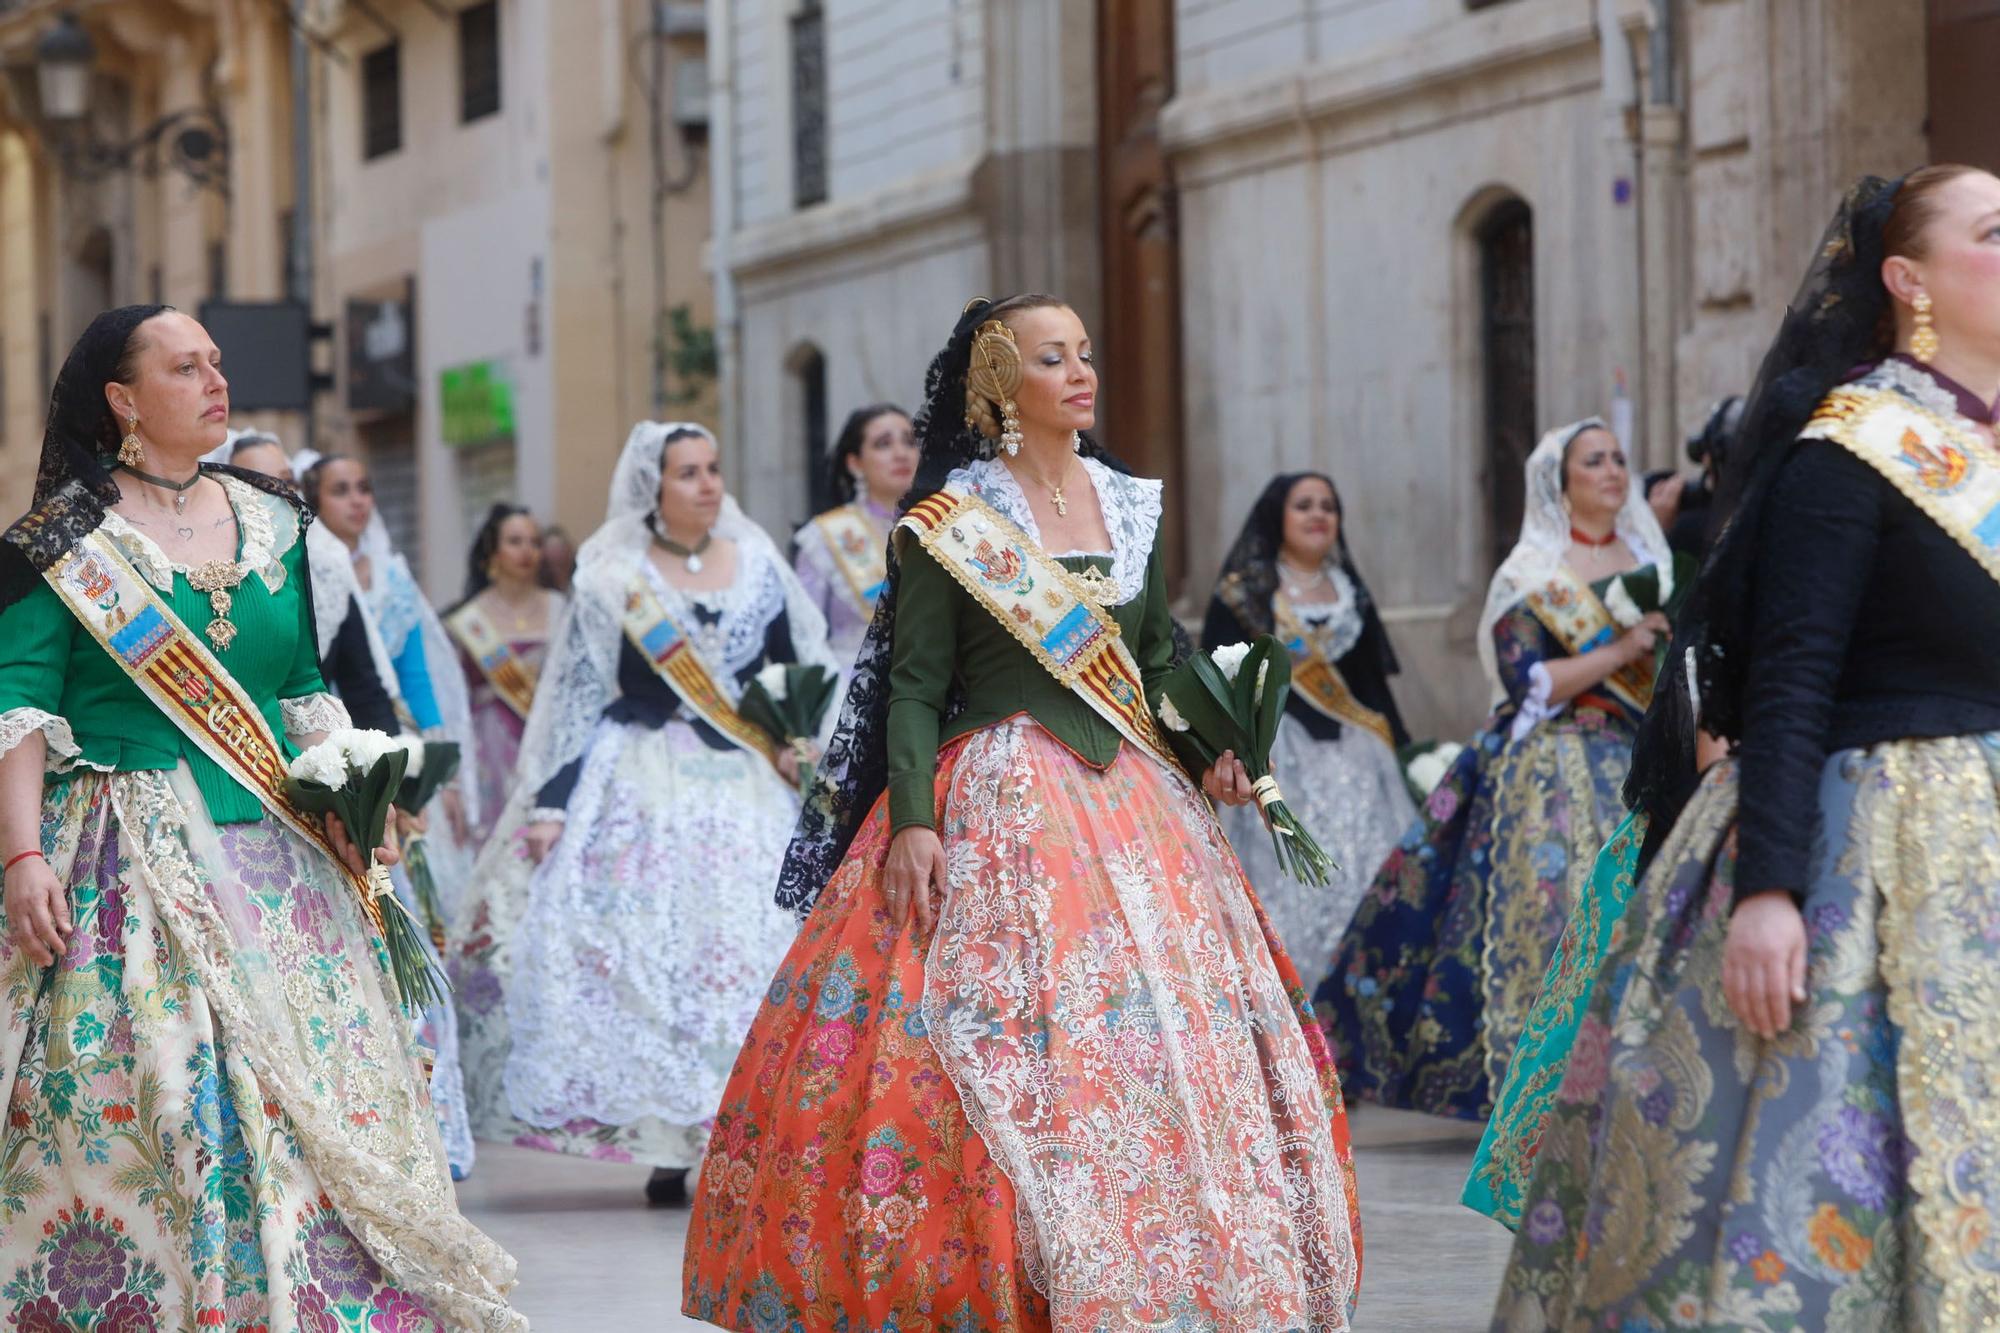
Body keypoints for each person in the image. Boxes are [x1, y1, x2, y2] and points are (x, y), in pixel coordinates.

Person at [683, 295, 1362, 1331]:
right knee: (1000, 1037)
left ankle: (1172, 1259)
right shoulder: (950, 521)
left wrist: (1209, 750)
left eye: (1085, 353)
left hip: (1135, 800)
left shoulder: (1127, 503)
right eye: (1055, 359)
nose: (1083, 373)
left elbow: (1155, 663)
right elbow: (913, 686)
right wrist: (912, 818)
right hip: (998, 791)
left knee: (1156, 1036)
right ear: (1001, 382)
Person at [1492, 165, 2000, 1329]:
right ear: (1907, 279)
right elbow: (1791, 680)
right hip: (1866, 852)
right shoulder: (1850, 447)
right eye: (1990, 230)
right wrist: (1767, 891)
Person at [0, 305, 520, 1327]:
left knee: (315, 1095)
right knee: (168, 1089)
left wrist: (352, 795)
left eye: (217, 362)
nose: (213, 381)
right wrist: (22, 853)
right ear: (122, 400)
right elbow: (19, 703)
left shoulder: (276, 516)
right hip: (127, 851)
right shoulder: (60, 540)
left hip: (281, 854)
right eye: (184, 367)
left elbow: (301, 689)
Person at [452, 422, 831, 1207]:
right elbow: (575, 699)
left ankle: (750, 1127)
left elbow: (799, 666)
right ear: (651, 490)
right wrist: (552, 803)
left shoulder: (758, 565)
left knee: (749, 948)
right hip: (640, 782)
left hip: (744, 783)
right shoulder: (611, 576)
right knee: (656, 955)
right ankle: (670, 1140)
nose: (707, 484)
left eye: (714, 468)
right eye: (687, 472)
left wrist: (802, 740)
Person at [1317, 419, 1670, 1121]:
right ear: (1559, 483)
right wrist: (1620, 648)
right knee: (1548, 907)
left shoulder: (1651, 561)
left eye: (1618, 459)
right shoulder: (1531, 573)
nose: (1611, 471)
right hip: (1552, 758)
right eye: (1593, 461)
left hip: (1639, 751)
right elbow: (1526, 678)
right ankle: (1545, 1076)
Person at [299, 452, 480, 1180]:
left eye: (367, 485)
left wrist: (427, 758)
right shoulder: (299, 559)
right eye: (340, 488)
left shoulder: (388, 575)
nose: (359, 500)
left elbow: (403, 675)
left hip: (363, 756)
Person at [1201, 472, 1417, 993]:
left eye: (1328, 506)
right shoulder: (1244, 595)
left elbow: (1370, 691)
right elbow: (1218, 678)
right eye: (1304, 505)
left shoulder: (1350, 594)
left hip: (1359, 762)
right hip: (1279, 759)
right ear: (1278, 516)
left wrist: (1411, 755)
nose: (1318, 515)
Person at [445, 504, 565, 846]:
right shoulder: (469, 619)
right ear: (493, 552)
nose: (527, 551)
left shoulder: (560, 608)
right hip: (490, 749)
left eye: (534, 542)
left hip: (544, 743)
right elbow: (456, 697)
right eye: (515, 541)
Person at [792, 404, 918, 672]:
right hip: (851, 689)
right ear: (855, 463)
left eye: (910, 442)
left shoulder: (945, 526)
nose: (900, 454)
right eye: (883, 444)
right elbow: (803, 634)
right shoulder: (824, 537)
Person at [538, 524, 576, 593]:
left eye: (560, 549)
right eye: (553, 550)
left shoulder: (582, 580)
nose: (557, 556)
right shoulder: (540, 588)